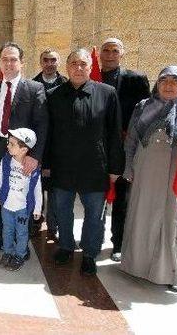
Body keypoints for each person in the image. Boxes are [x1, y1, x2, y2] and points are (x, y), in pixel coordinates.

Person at [120, 66, 177, 292]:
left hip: (176, 178)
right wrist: (128, 169)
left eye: (175, 81)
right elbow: (131, 141)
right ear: (158, 83)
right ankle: (137, 267)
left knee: (171, 222)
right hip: (145, 175)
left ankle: (173, 273)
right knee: (142, 217)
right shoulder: (143, 107)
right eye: (165, 80)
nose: (169, 85)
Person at [44, 48, 124, 276]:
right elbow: (48, 134)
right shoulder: (54, 95)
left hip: (95, 167)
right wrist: (46, 165)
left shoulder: (107, 93)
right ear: (67, 67)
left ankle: (89, 253)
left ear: (90, 67)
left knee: (94, 215)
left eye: (83, 64)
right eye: (74, 64)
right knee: (62, 211)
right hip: (62, 167)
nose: (78, 68)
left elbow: (114, 133)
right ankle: (66, 246)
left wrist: (115, 168)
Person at [0, 42, 48, 252]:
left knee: (21, 197)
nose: (8, 63)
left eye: (13, 59)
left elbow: (42, 125)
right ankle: (2, 237)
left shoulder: (34, 89)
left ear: (21, 62)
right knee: (1, 194)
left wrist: (34, 156)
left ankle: (21, 243)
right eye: (4, 59)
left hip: (22, 153)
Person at [98, 38, 151, 262]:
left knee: (122, 198)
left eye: (114, 50)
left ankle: (118, 243)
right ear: (100, 54)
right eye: (106, 50)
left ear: (121, 53)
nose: (110, 54)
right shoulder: (91, 76)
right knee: (95, 195)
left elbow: (145, 114)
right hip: (97, 149)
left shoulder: (136, 79)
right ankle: (94, 237)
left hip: (123, 148)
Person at [0, 128, 42, 271]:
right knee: (7, 230)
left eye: (12, 144)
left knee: (21, 233)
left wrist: (37, 207)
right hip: (7, 206)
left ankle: (20, 255)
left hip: (23, 209)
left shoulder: (33, 168)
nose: (8, 146)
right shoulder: (6, 161)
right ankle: (8, 252)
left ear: (24, 149)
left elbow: (37, 189)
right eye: (9, 143)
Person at [32, 48, 67, 242]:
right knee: (36, 187)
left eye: (53, 60)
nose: (49, 63)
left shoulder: (67, 85)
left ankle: (54, 225)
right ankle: (35, 221)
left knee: (55, 189)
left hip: (59, 145)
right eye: (46, 60)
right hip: (37, 144)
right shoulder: (31, 84)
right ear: (41, 63)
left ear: (58, 62)